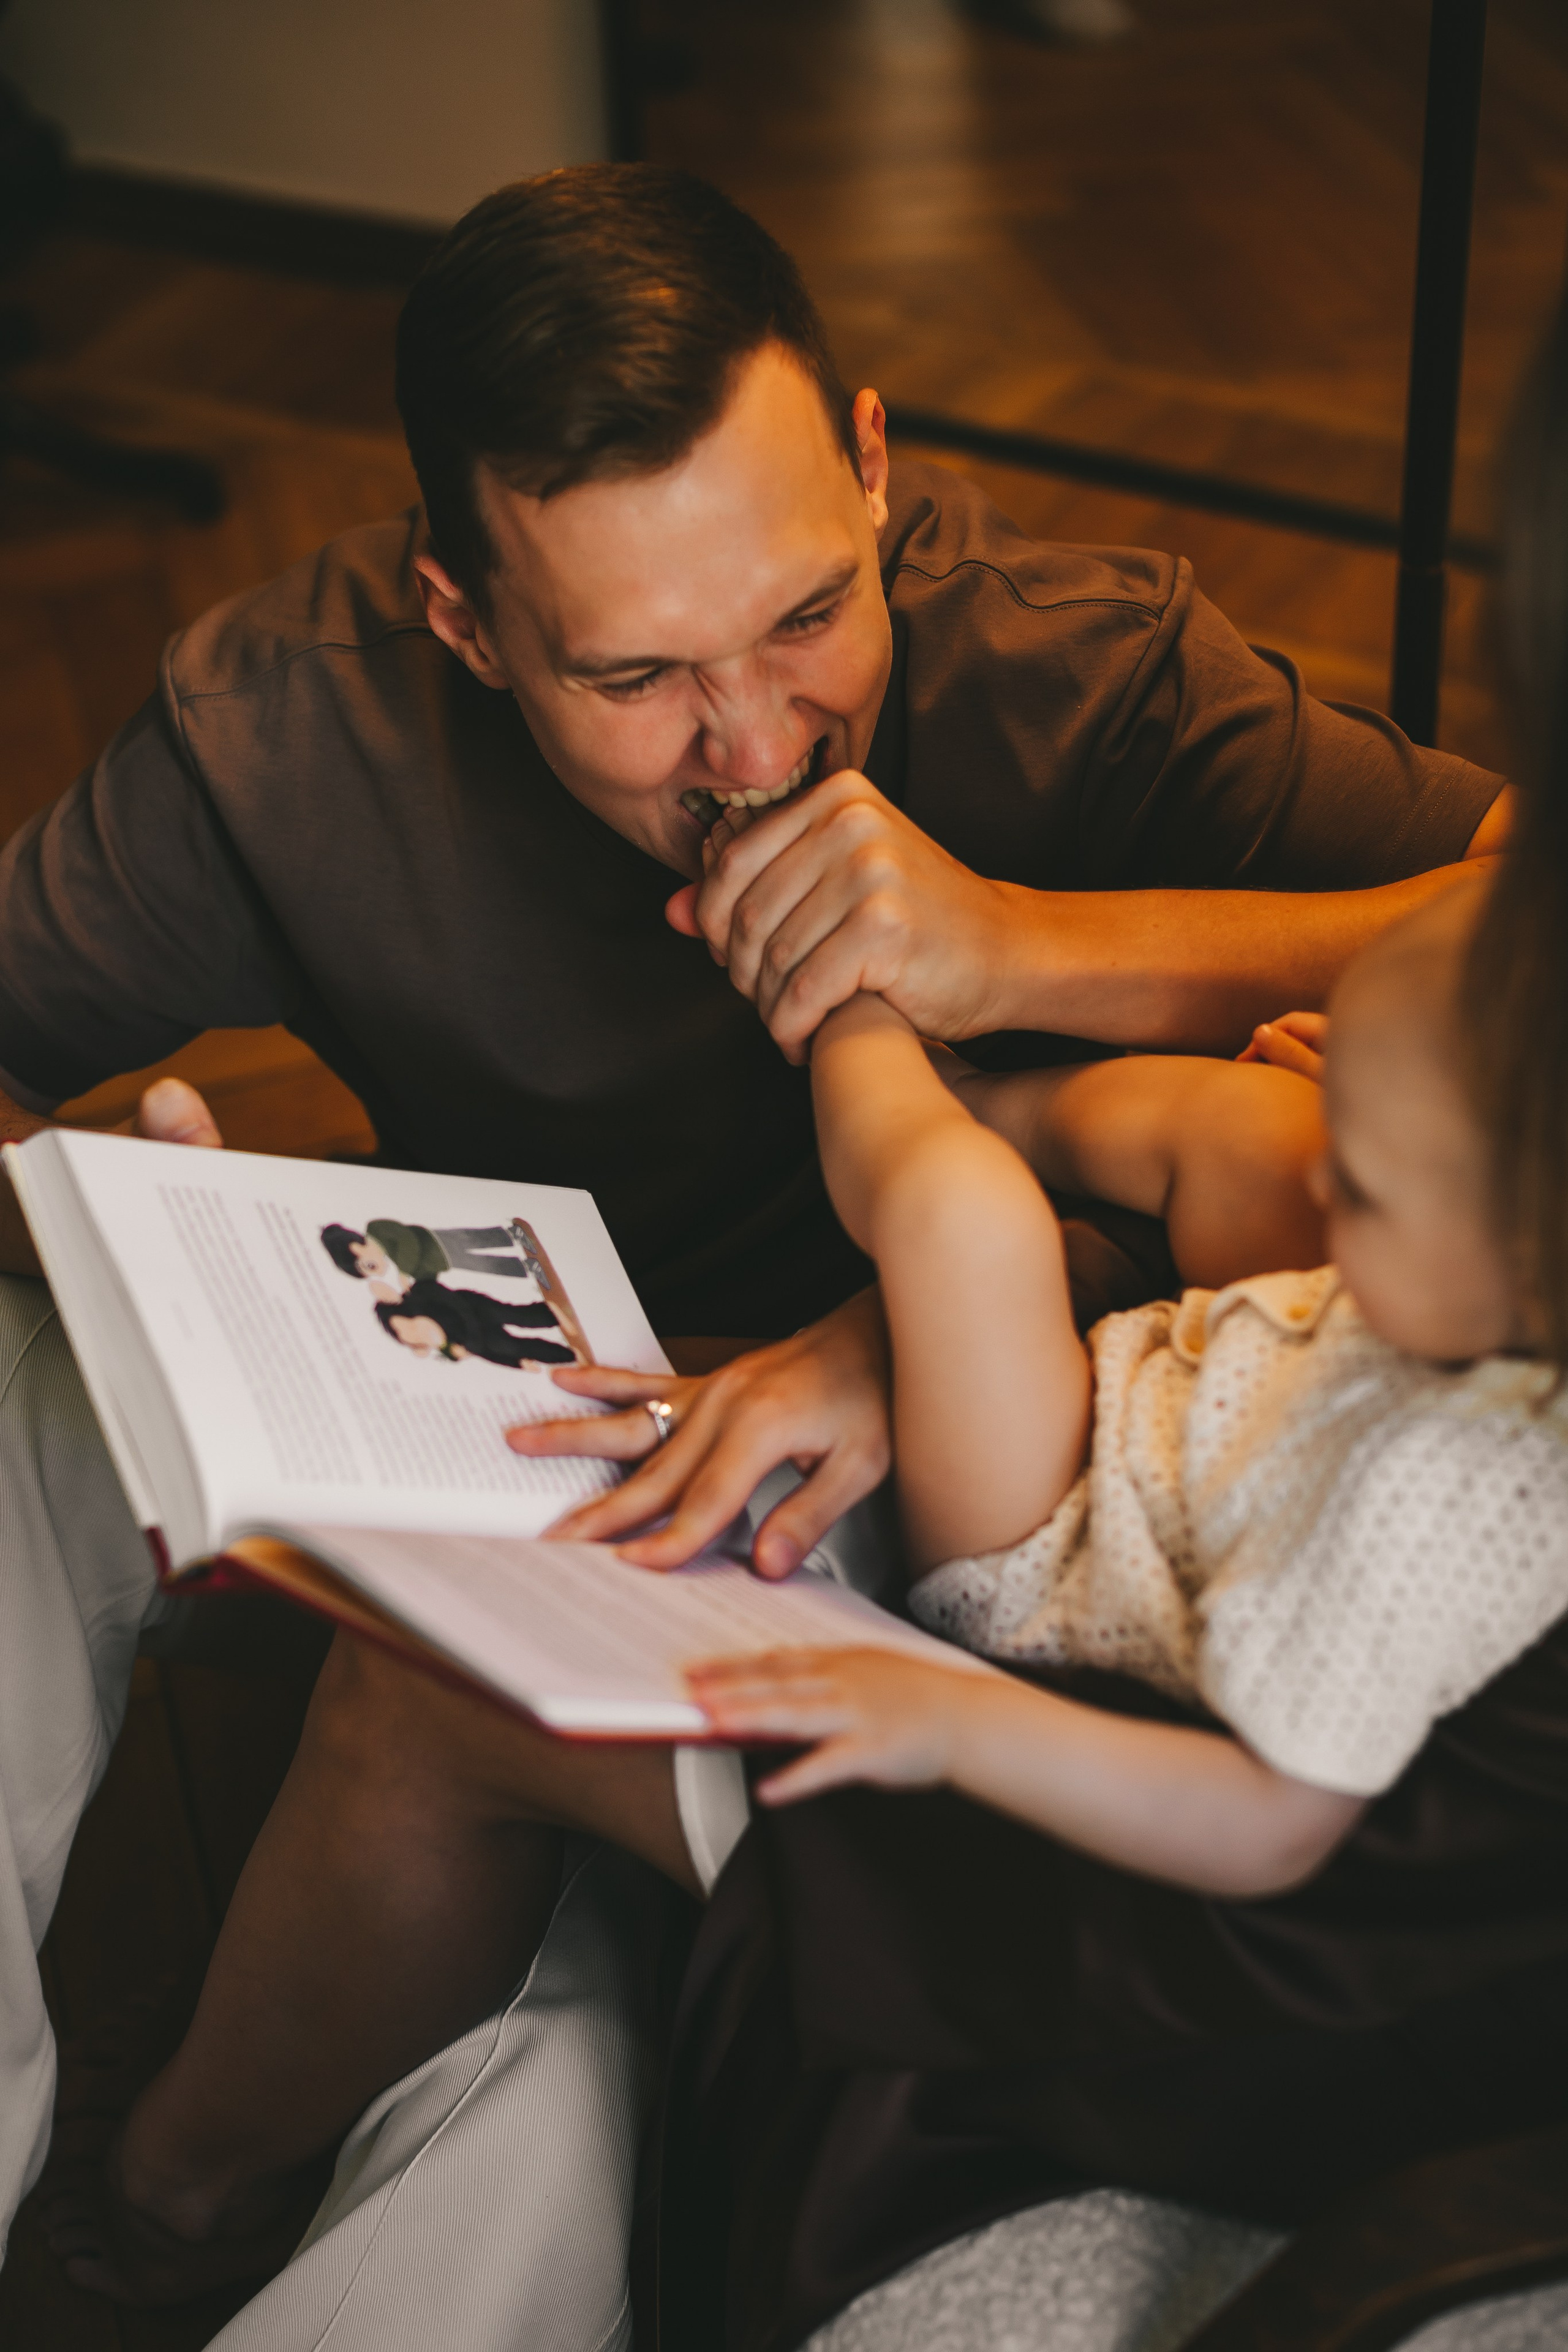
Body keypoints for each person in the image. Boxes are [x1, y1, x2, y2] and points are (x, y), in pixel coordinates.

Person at [0, 157, 1508, 2302]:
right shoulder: (282, 729)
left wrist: (1029, 950)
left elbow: (1516, 919)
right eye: (634, 679)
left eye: (809, 613)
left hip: (988, 1467)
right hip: (515, 1389)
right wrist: (133, 1247)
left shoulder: (1085, 667)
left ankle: (179, 2212)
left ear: (873, 463)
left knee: (475, 1811)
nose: (760, 742)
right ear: (463, 620)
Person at [374, 1280, 578, 1367]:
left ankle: (550, 1312)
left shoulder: (421, 1295)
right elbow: (485, 1352)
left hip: (472, 1307)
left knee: (509, 1315)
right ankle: (568, 1355)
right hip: (472, 1334)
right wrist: (516, 1363)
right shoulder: (447, 1343)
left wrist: (473, 1339)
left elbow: (456, 1303)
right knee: (508, 1347)